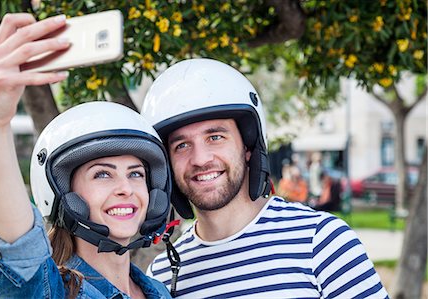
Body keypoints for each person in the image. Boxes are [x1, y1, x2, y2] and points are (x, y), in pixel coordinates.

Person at [141, 58, 388, 298]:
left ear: (248, 147)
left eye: (215, 137)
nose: (201, 159)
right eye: (181, 145)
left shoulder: (323, 242)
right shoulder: (161, 277)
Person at [0, 13, 173, 298]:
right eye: (103, 174)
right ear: (64, 196)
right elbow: (19, 252)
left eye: (136, 173)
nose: (126, 188)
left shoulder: (158, 289)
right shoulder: (53, 291)